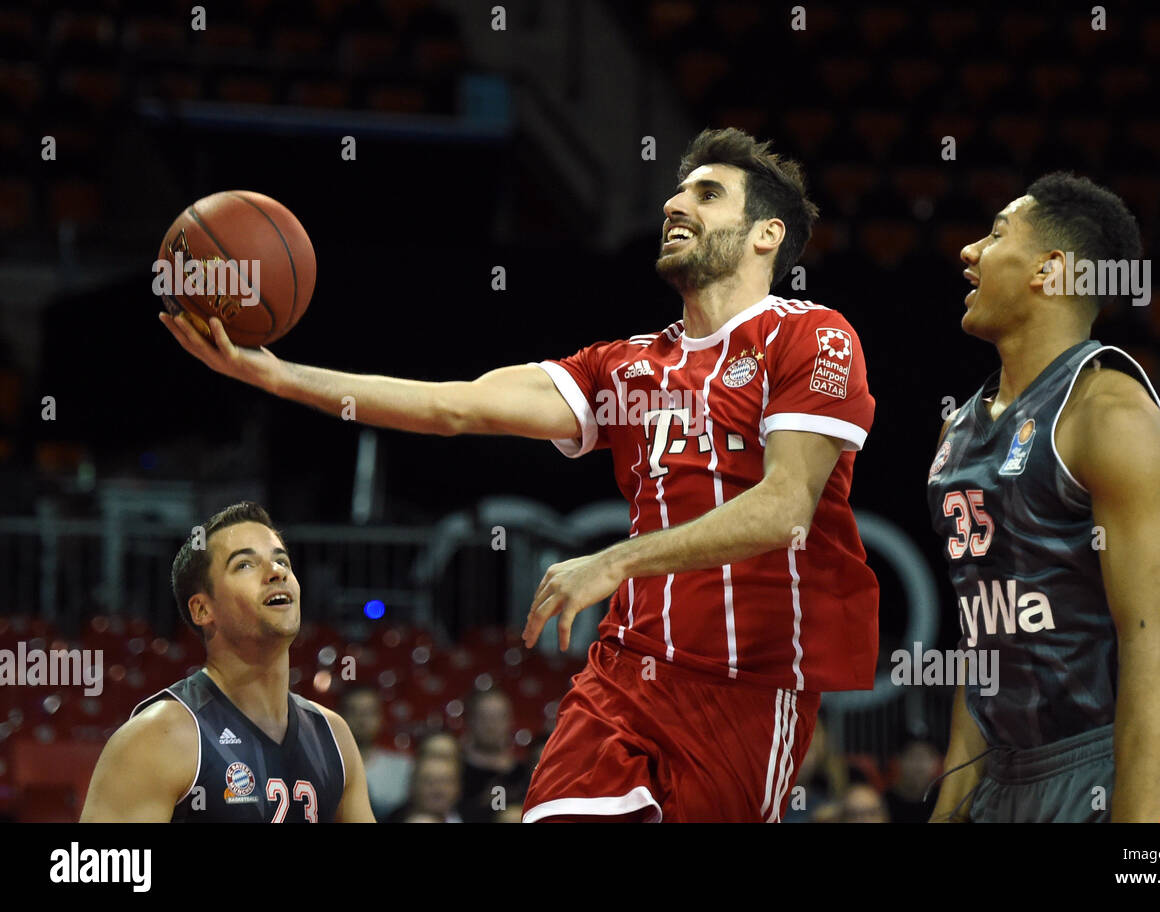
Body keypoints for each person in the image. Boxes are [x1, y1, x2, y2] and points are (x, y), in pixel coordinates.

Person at [159, 127, 880, 823]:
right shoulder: (623, 366)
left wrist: (615, 561)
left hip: (748, 684)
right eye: (676, 192)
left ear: (766, 234)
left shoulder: (814, 335)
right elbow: (455, 408)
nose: (674, 205)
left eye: (708, 194)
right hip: (625, 674)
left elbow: (785, 507)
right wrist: (278, 375)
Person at [926, 173, 1160, 822]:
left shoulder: (1108, 412)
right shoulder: (959, 429)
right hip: (1002, 769)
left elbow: (1153, 648)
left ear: (1049, 271)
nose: (969, 251)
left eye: (996, 234)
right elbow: (984, 641)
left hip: (1108, 763)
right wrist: (949, 806)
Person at [81, 502, 374, 822]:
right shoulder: (157, 737)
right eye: (245, 565)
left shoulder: (333, 736)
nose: (277, 572)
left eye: (282, 561)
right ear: (203, 610)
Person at [457, 688, 531, 823]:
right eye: (484, 717)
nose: (491, 725)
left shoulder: (525, 773)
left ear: (510, 721)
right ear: (470, 720)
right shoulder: (455, 772)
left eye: (498, 717)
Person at [339, 685, 412, 819]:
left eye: (369, 712)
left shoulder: (403, 768)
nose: (361, 720)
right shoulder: (324, 767)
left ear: (381, 717)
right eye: (353, 712)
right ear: (339, 716)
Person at [387, 754, 462, 823]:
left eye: (445, 781)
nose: (438, 789)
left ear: (458, 785)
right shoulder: (393, 819)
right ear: (414, 785)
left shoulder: (470, 816)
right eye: (429, 782)